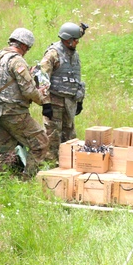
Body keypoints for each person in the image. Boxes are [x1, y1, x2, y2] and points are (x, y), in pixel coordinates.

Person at [0, 27, 50, 179]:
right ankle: (28, 180)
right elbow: (29, 90)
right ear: (25, 45)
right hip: (13, 113)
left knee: (3, 148)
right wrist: (43, 101)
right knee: (40, 143)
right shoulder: (17, 60)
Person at [39, 22, 88, 163]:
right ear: (67, 39)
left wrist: (80, 101)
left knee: (70, 139)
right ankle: (50, 168)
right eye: (75, 39)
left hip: (69, 102)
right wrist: (45, 104)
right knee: (52, 138)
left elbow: (76, 78)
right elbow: (42, 79)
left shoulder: (74, 54)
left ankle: (68, 166)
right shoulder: (53, 54)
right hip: (54, 102)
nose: (77, 42)